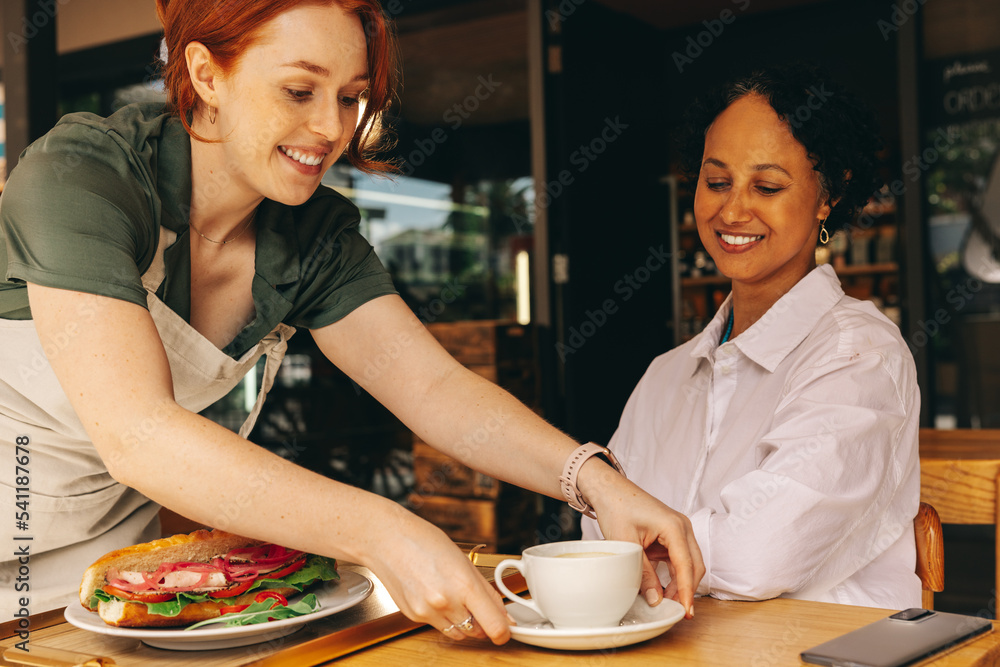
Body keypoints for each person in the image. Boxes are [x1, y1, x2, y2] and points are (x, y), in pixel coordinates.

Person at [0, 0, 704, 642]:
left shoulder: (311, 233)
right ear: (205, 74)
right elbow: (138, 432)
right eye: (299, 91)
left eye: (351, 97)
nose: (332, 129)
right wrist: (383, 531)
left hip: (110, 584)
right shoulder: (82, 178)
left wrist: (595, 478)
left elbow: (432, 388)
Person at [583, 64, 921, 609]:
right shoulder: (665, 375)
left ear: (826, 197)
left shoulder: (858, 355)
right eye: (717, 182)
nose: (732, 209)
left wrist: (646, 545)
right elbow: (598, 535)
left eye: (766, 186)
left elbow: (762, 554)